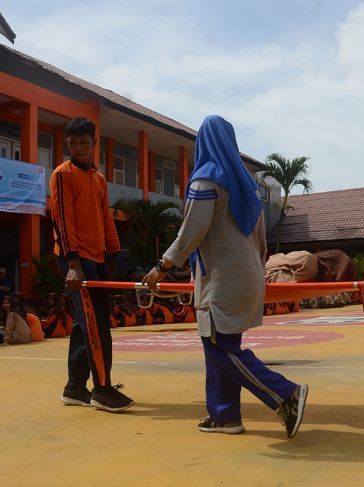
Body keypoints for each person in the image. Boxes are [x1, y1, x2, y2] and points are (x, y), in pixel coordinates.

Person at [143, 115, 308, 437]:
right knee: (223, 345)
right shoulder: (247, 184)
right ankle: (225, 415)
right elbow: (261, 244)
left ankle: (285, 393)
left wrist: (163, 265)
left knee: (218, 348)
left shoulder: (206, 180)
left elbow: (192, 231)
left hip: (221, 279)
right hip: (247, 276)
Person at [50, 117, 134, 412]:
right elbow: (62, 220)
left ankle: (74, 388)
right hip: (75, 258)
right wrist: (73, 262)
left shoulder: (98, 179)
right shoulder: (63, 174)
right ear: (67, 145)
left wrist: (114, 252)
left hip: (96, 257)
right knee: (95, 324)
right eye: (73, 143)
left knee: (85, 322)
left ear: (93, 144)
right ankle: (102, 388)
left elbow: (105, 219)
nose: (79, 148)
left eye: (84, 142)